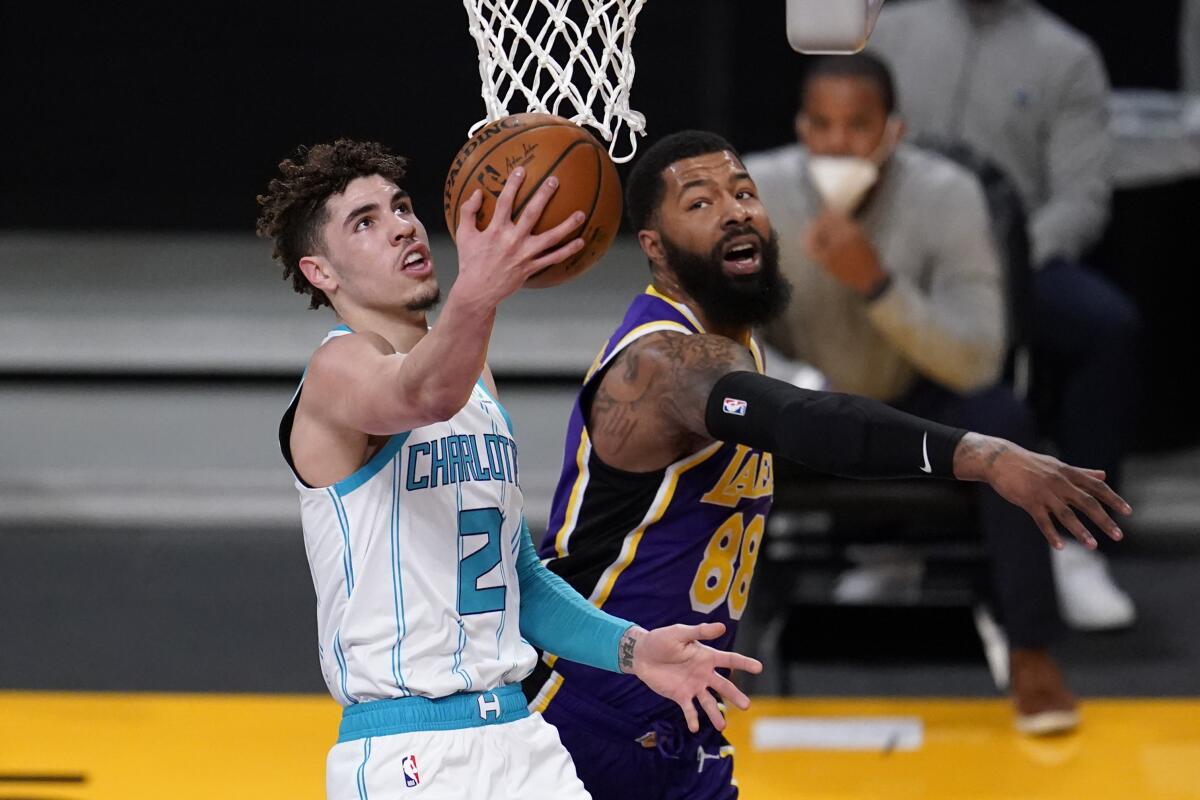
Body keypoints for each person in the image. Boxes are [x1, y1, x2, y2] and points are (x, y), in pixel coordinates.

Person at [524, 129, 1131, 798]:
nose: (734, 211)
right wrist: (979, 453)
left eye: (744, 192)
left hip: (678, 706)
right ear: (655, 248)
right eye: (700, 203)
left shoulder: (732, 342)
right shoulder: (660, 362)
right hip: (583, 703)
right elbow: (800, 421)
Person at [256, 139, 763, 799]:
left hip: (521, 738)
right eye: (366, 222)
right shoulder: (336, 374)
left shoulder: (477, 381)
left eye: (402, 207)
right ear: (321, 272)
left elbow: (517, 577)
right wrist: (480, 292)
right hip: (409, 752)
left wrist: (635, 651)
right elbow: (419, 393)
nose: (402, 227)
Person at [744, 52, 1082, 733]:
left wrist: (877, 285)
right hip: (802, 400)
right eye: (821, 124)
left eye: (858, 125)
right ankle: (695, 643)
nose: (837, 142)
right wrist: (804, 390)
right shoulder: (755, 192)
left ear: (893, 131)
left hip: (920, 398)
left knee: (1004, 418)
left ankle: (1031, 652)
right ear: (800, 128)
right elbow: (726, 336)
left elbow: (980, 356)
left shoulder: (950, 194)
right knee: (712, 410)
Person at [868, 0, 1140, 632]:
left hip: (1018, 266)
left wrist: (1001, 265)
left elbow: (1082, 198)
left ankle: (1078, 544)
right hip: (894, 255)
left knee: (1108, 327)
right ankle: (883, 539)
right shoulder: (889, 34)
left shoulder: (1067, 56)